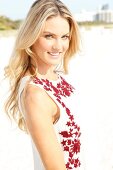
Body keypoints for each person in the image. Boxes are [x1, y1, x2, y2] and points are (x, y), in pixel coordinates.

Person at [4, 0, 81, 169]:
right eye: (49, 36)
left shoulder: (55, 76)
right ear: (31, 36)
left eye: (64, 37)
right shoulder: (35, 94)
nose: (58, 46)